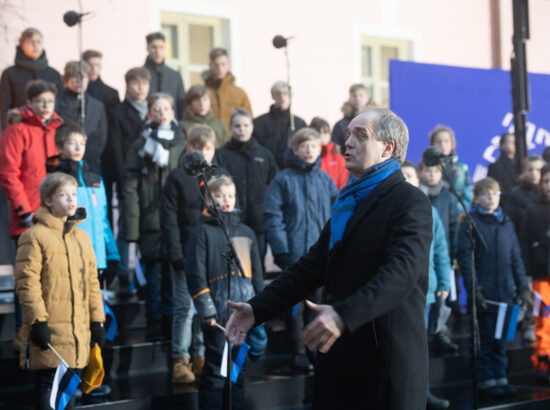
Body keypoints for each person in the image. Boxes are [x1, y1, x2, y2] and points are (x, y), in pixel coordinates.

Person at [226, 108, 433, 410]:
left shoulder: (409, 201)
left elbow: (401, 273)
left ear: (388, 148)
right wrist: (256, 310)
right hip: (340, 359)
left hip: (384, 365)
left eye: (360, 135)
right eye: (348, 134)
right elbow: (311, 268)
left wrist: (343, 314)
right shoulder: (347, 200)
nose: (347, 142)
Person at [14, 172, 105, 410]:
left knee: (69, 390)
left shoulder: (82, 238)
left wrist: (97, 321)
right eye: (63, 195)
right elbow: (27, 283)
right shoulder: (34, 237)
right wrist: (37, 323)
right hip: (51, 332)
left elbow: (92, 284)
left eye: (73, 195)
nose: (71, 200)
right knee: (48, 388)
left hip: (77, 332)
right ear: (48, 200)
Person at [186, 174, 264, 410]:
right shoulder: (202, 233)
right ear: (208, 200)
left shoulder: (247, 233)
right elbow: (195, 275)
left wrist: (262, 309)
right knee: (214, 371)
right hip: (218, 314)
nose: (226, 200)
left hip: (245, 311)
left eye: (230, 195)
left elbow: (257, 275)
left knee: (237, 371)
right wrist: (207, 311)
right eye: (219, 195)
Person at [264, 127, 337, 371]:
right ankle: (297, 352)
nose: (309, 150)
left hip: (321, 256)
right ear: (295, 149)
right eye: (303, 146)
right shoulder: (282, 180)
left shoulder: (325, 181)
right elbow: (273, 216)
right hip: (294, 256)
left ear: (320, 150)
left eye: (313, 146)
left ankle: (314, 350)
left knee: (316, 306)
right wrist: (281, 250)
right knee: (294, 307)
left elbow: (337, 216)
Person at [0, 79, 62, 351]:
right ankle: (22, 335)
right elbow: (9, 174)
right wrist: (24, 210)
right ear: (30, 103)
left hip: (55, 216)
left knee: (53, 277)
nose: (45, 106)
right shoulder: (17, 130)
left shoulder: (60, 130)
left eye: (49, 101)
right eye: (40, 101)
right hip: (27, 216)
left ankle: (49, 333)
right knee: (27, 278)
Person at [457, 177, 529, 398]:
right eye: (487, 194)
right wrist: (474, 289)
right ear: (477, 198)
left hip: (506, 292)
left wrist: (522, 286)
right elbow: (466, 263)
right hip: (485, 294)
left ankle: (501, 376)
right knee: (486, 338)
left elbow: (516, 257)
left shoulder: (506, 224)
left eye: (495, 194)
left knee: (502, 339)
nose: (491, 198)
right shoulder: (470, 224)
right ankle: (486, 379)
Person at [124, 92, 187, 341]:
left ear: (173, 112)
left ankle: (170, 322)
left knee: (173, 275)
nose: (161, 114)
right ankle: (153, 321)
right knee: (153, 275)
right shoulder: (139, 146)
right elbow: (130, 189)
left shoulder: (182, 144)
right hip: (149, 220)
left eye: (166, 109)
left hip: (175, 221)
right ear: (149, 113)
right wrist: (132, 227)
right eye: (156, 109)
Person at [161, 125, 216, 384]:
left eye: (208, 148)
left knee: (204, 307)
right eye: (199, 148)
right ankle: (180, 358)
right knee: (185, 309)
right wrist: (176, 253)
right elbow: (169, 220)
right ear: (189, 149)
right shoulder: (177, 178)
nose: (204, 153)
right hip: (184, 253)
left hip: (207, 257)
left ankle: (200, 355)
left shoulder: (216, 176)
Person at [402, 161, 451, 410]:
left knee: (423, 348)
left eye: (410, 175)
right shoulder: (392, 209)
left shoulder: (430, 211)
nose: (406, 179)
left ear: (418, 180)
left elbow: (441, 251)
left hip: (428, 291)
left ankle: (424, 393)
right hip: (400, 293)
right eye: (402, 176)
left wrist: (444, 281)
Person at [46, 122, 120, 284]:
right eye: (72, 143)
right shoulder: (55, 179)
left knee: (95, 305)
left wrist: (112, 254)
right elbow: (52, 222)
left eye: (82, 143)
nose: (78, 148)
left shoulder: (95, 180)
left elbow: (103, 220)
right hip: (69, 257)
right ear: (60, 148)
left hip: (96, 258)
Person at [107, 67, 151, 297]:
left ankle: (143, 277)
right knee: (126, 226)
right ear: (127, 85)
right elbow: (114, 147)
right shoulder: (118, 112)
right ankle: (124, 275)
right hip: (128, 179)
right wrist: (123, 177)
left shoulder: (154, 112)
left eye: (144, 83)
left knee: (147, 228)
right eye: (135, 83)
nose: (140, 88)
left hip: (150, 181)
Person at [216, 108, 278, 267]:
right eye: (237, 126)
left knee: (257, 266)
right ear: (230, 128)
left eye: (245, 125)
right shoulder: (222, 154)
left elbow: (274, 185)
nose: (241, 129)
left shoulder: (264, 154)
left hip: (259, 220)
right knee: (238, 267)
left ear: (252, 127)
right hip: (233, 220)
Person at [0, 27, 63, 129]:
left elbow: (60, 104)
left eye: (39, 41)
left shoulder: (53, 74)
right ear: (22, 45)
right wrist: (7, 130)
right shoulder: (9, 74)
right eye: (30, 42)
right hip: (20, 128)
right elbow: (4, 108)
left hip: (48, 128)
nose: (35, 45)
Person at [55, 61, 108, 176]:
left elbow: (101, 137)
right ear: (66, 79)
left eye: (83, 77)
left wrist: (93, 152)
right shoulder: (56, 104)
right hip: (64, 163)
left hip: (90, 163)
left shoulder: (97, 106)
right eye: (75, 77)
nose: (79, 81)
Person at [522, 165, 550, 380]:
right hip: (541, 275)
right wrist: (529, 274)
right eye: (547, 181)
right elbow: (524, 242)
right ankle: (542, 362)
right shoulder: (532, 210)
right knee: (543, 318)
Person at [253, 81, 307, 169]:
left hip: (293, 169)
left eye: (285, 93)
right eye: (278, 93)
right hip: (267, 169)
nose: (282, 97)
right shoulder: (259, 123)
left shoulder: (299, 123)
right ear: (273, 96)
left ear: (290, 96)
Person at [203, 48, 252, 130]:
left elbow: (249, 120)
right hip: (210, 140)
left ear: (228, 65)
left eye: (223, 64)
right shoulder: (203, 93)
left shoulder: (240, 93)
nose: (220, 69)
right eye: (216, 65)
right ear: (210, 65)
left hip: (234, 140)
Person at [429, 125, 473, 210]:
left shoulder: (462, 167)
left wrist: (459, 207)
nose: (442, 145)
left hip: (456, 211)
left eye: (446, 141)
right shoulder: (427, 166)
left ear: (452, 144)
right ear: (432, 144)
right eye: (438, 142)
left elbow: (468, 189)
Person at [144, 32, 186, 120]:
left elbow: (181, 106)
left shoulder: (175, 75)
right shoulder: (141, 75)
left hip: (171, 126)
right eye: (154, 47)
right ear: (147, 48)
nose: (157, 51)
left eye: (161, 47)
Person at [331, 84, 372, 154]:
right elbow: (336, 150)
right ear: (349, 98)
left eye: (361, 95)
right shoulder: (340, 125)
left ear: (367, 98)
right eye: (354, 96)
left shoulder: (375, 121)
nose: (357, 99)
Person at [310, 116, 349, 190]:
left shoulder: (338, 159)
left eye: (325, 132)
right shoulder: (308, 156)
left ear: (330, 135)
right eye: (318, 132)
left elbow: (343, 184)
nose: (321, 136)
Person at [488, 132, 517, 208]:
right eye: (510, 142)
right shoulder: (495, 167)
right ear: (502, 145)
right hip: (505, 206)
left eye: (515, 142)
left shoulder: (522, 164)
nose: (514, 145)